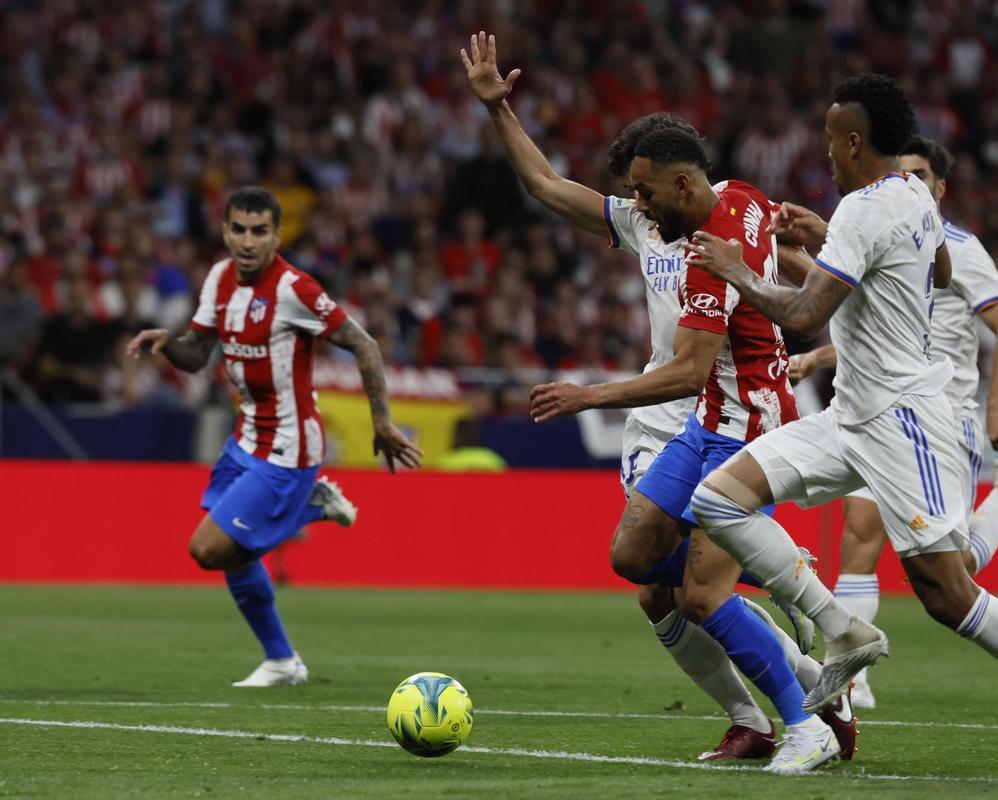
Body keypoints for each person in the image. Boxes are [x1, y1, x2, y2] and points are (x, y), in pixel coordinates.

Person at [684, 73, 998, 785]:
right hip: (850, 416)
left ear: (854, 140)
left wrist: (736, 267)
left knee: (949, 593)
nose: (825, 152)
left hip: (902, 422)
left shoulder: (868, 208)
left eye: (831, 139)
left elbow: (800, 314)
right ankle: (843, 629)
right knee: (716, 499)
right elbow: (942, 265)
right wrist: (833, 237)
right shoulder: (910, 197)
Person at [461, 30, 855, 767]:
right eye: (631, 190)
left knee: (700, 594)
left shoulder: (728, 228)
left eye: (643, 187)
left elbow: (707, 350)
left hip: (735, 416)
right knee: (643, 572)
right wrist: (498, 112)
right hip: (680, 421)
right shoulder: (652, 222)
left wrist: (587, 396)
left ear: (681, 183)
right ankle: (781, 631)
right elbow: (549, 188)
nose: (632, 201)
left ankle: (801, 710)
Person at [785, 135, 998, 709]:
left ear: (940, 186)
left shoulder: (961, 247)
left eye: (918, 173)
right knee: (859, 536)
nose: (905, 181)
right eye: (899, 169)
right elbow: (883, 326)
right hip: (881, 412)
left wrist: (997, 406)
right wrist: (817, 356)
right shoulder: (880, 230)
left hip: (945, 415)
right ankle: (851, 677)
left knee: (954, 569)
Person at [127, 186, 422, 686]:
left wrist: (382, 421)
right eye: (238, 229)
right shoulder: (219, 278)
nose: (247, 241)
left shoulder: (295, 289)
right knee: (233, 554)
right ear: (224, 231)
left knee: (209, 549)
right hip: (245, 440)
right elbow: (198, 355)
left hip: (289, 449)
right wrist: (167, 347)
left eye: (259, 231)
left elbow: (365, 345)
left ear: (276, 235)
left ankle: (312, 504)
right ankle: (282, 661)